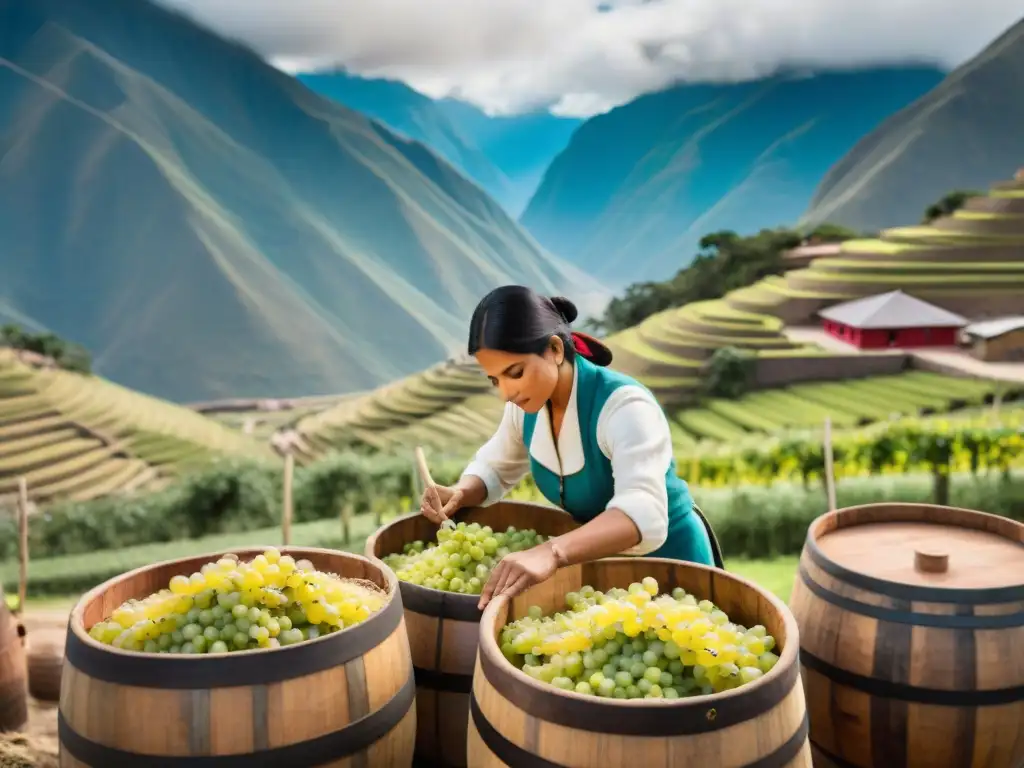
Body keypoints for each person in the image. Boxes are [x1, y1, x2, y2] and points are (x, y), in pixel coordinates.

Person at [420, 285, 722, 610]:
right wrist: (462, 492)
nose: (505, 393)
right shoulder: (527, 409)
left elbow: (642, 513)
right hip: (603, 575)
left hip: (675, 568)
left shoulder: (624, 406)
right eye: (495, 380)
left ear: (555, 349)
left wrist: (550, 551)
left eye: (515, 373)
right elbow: (495, 467)